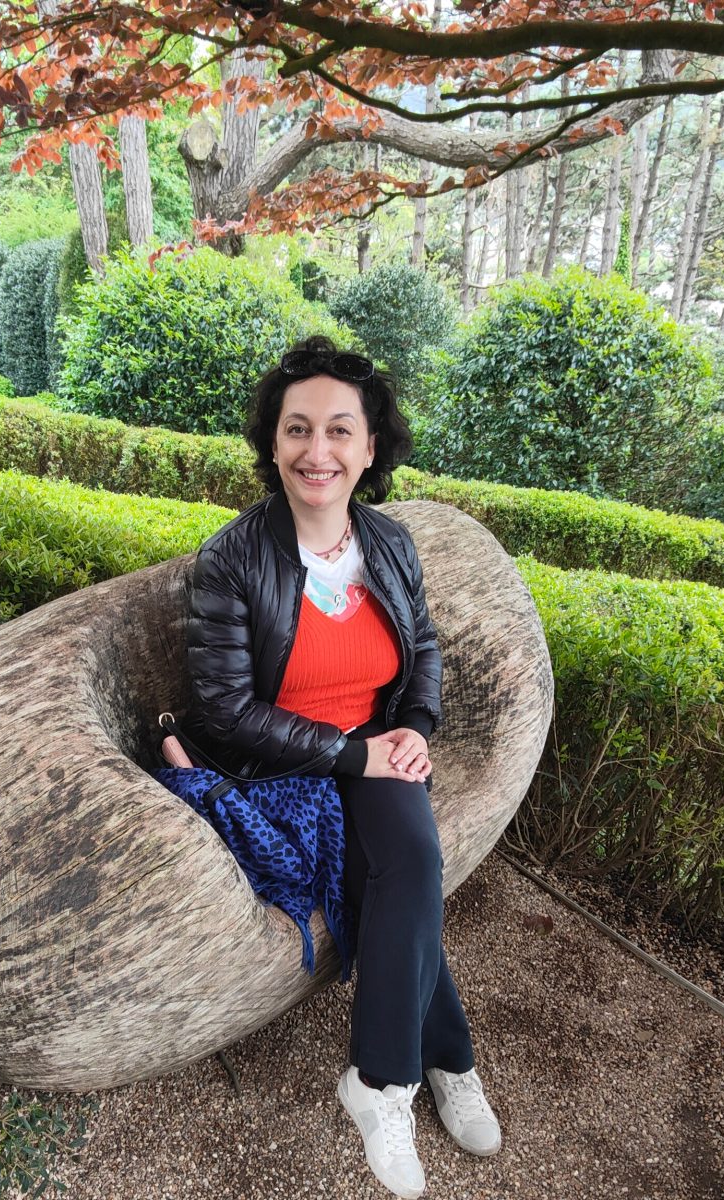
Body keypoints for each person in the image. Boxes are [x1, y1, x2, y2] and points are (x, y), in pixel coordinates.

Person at [183, 335, 500, 1199]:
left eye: (336, 431)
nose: (314, 451)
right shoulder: (233, 559)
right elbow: (224, 710)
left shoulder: (389, 544)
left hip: (372, 748)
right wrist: (352, 754)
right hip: (275, 762)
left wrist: (415, 727)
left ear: (368, 448)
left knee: (405, 867)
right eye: (295, 430)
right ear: (272, 443)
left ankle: (378, 1080)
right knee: (405, 872)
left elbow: (422, 645)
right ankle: (432, 1064)